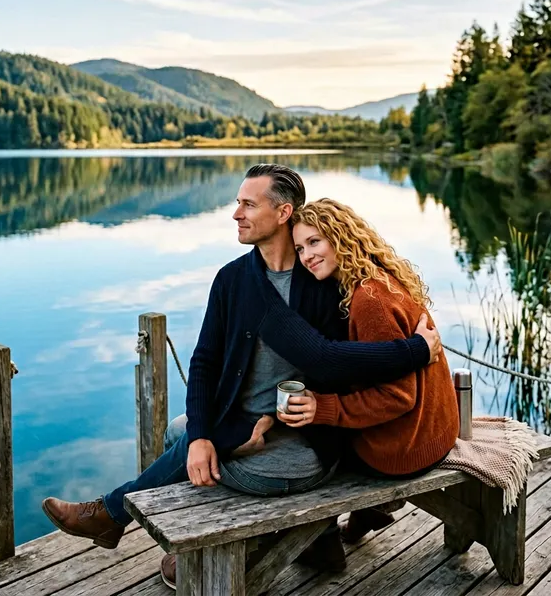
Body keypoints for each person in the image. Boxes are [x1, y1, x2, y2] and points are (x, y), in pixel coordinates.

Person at [42, 165, 443, 589]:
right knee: (182, 434)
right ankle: (308, 543)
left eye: (248, 204)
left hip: (308, 439)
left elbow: (332, 361)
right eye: (238, 203)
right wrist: (203, 435)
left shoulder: (323, 280)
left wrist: (413, 350)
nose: (236, 213)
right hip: (245, 423)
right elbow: (204, 363)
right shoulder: (234, 280)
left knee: (200, 454)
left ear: (284, 212)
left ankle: (116, 517)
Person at [278, 198, 459, 542]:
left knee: (307, 451)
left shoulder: (370, 300)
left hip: (404, 452)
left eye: (315, 242)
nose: (306, 256)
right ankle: (363, 518)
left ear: (342, 236)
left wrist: (323, 408)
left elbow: (398, 398)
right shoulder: (379, 278)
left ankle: (317, 542)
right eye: (300, 248)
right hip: (433, 432)